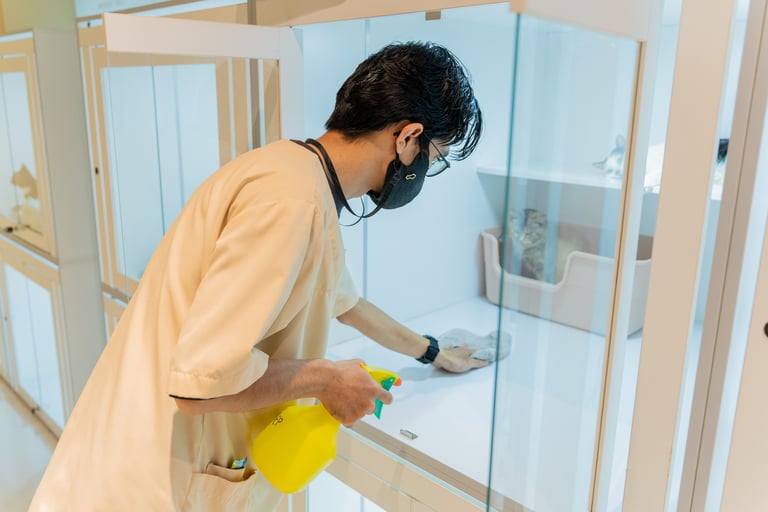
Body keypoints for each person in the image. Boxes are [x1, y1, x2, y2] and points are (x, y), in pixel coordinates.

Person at [29, 41, 484, 511]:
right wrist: (327, 379)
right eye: (437, 154)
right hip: (157, 480)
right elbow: (201, 384)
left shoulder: (296, 175)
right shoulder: (290, 202)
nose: (428, 168)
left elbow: (347, 304)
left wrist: (433, 351)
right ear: (408, 138)